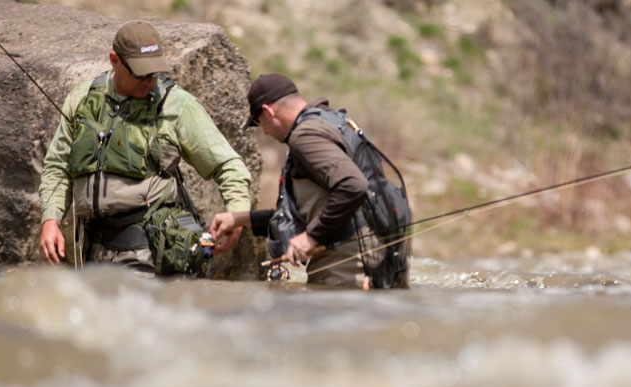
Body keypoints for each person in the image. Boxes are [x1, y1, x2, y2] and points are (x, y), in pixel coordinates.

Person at [37, 21, 251, 271]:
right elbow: (57, 167)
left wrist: (237, 214)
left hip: (150, 252)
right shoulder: (80, 100)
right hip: (91, 251)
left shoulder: (178, 105)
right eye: (141, 73)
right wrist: (50, 219)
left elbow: (228, 165)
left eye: (154, 72)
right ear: (114, 61)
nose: (150, 81)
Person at [210, 73, 408, 288]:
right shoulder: (333, 122)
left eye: (260, 124)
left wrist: (311, 237)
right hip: (378, 255)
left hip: (348, 265)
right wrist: (239, 219)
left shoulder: (305, 136)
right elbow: (302, 215)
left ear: (268, 111)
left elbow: (353, 186)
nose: (265, 132)